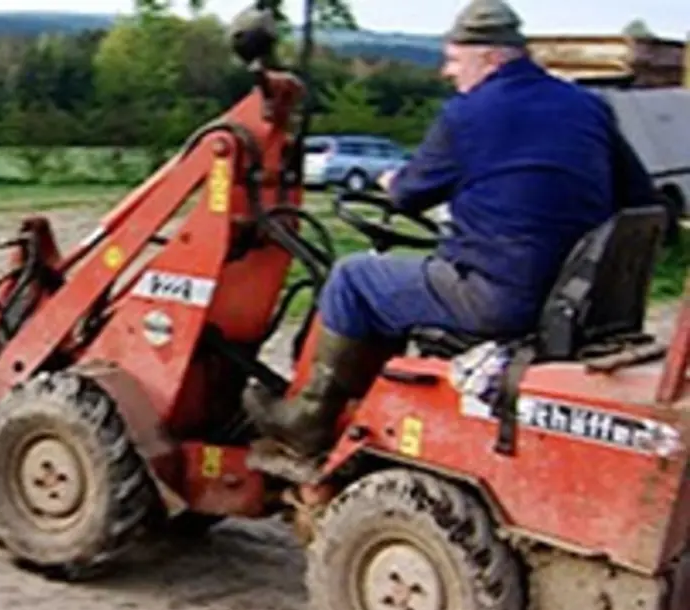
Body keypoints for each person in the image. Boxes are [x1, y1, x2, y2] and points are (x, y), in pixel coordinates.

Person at [242, 0, 659, 481]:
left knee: (353, 278)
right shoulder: (588, 107)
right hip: (579, 300)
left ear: (489, 57)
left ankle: (308, 423)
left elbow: (409, 193)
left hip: (500, 299)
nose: (446, 72)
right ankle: (364, 407)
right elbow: (642, 199)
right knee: (398, 282)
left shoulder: (467, 114)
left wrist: (390, 183)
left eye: (454, 59)